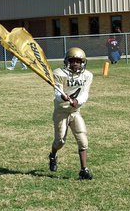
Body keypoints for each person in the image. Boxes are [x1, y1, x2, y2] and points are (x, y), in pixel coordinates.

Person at [48, 47, 94, 180]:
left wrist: (77, 101)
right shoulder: (59, 73)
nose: (75, 64)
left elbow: (85, 93)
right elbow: (57, 92)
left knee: (83, 140)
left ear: (83, 63)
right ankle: (53, 155)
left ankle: (83, 170)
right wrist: (63, 97)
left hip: (75, 111)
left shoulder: (87, 75)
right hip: (61, 111)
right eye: (72, 61)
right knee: (60, 141)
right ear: (67, 61)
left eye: (78, 61)